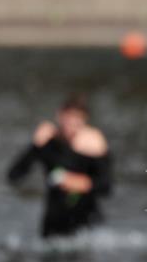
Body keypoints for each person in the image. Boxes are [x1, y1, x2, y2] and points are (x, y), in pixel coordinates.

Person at [8, 94, 112, 238]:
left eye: (77, 121)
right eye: (68, 119)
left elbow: (107, 187)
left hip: (86, 223)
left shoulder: (93, 146)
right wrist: (35, 145)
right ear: (59, 116)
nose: (71, 125)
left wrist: (79, 182)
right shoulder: (49, 143)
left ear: (84, 121)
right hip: (53, 223)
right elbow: (14, 176)